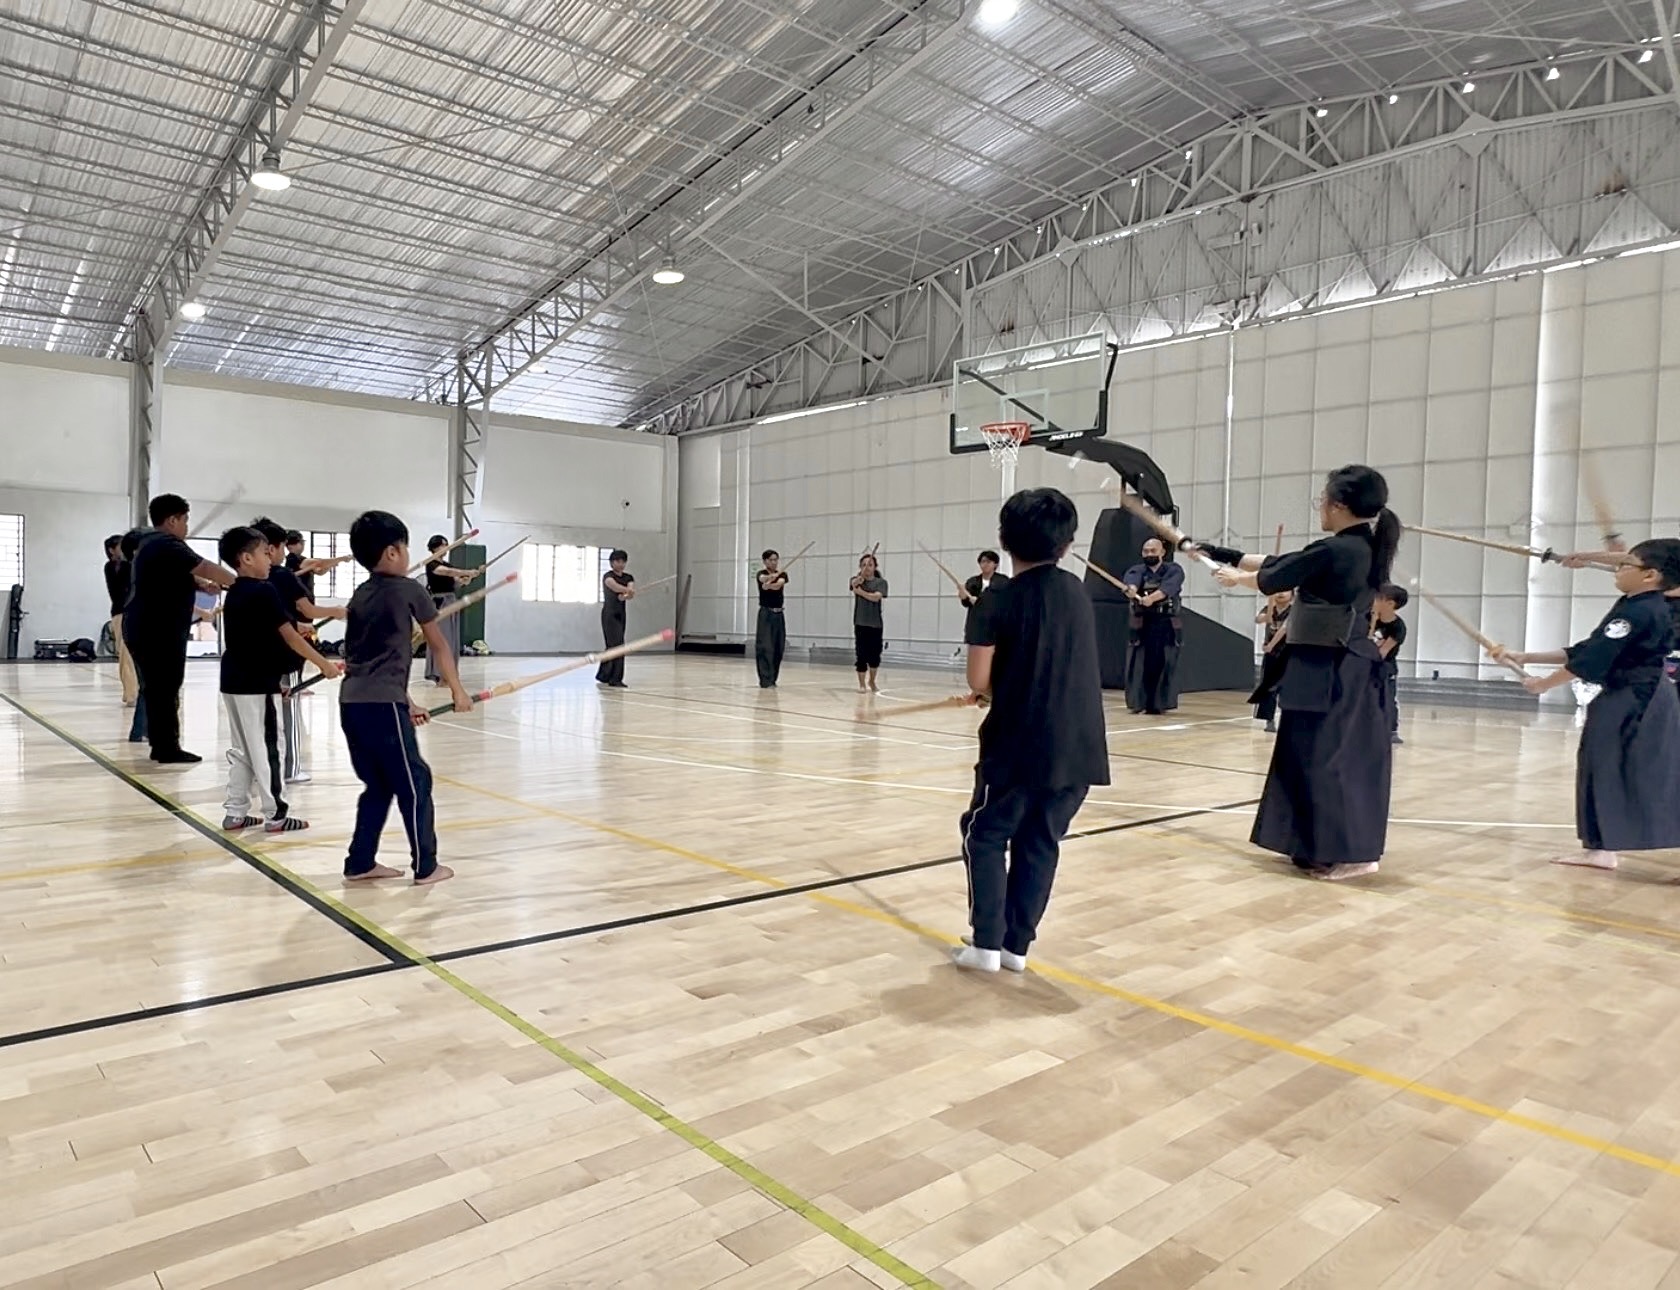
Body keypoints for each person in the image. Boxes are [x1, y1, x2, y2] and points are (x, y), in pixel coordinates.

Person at [1192, 464, 1400, 881]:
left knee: (1327, 761)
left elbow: (1276, 575)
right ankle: (1313, 844)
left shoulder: (1340, 549)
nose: (1320, 506)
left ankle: (1350, 851)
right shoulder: (1356, 547)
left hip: (1333, 669)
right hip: (1327, 667)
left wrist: (1238, 577)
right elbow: (1283, 563)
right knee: (1307, 757)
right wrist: (1219, 552)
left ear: (1339, 505)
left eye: (1323, 499)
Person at [953, 488, 1109, 973]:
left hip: (1018, 744)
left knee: (983, 834)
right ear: (1067, 543)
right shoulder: (1078, 595)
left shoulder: (996, 599)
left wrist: (987, 689)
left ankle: (985, 945)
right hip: (1078, 747)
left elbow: (980, 681)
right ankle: (1015, 947)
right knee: (1040, 841)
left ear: (1004, 540)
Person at [1491, 538, 1680, 872]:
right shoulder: (1634, 603)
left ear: (1650, 575)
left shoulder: (1640, 610)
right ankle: (1601, 848)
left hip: (1636, 699)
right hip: (1631, 695)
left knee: (1632, 771)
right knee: (1603, 766)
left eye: (1626, 564)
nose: (1617, 569)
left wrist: (1542, 684)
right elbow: (1588, 648)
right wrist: (1525, 657)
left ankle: (1602, 848)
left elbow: (1592, 660)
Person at [340, 510, 472, 885]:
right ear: (394, 552)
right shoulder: (410, 589)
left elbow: (363, 657)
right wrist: (458, 692)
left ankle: (360, 862)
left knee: (378, 785)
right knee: (415, 782)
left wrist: (407, 703)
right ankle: (426, 866)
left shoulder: (361, 593)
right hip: (382, 705)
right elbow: (439, 644)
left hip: (353, 703)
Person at [215, 526, 340, 834]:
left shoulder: (236, 592)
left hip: (233, 681)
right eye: (263, 552)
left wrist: (280, 681)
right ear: (245, 558)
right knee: (269, 749)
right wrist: (323, 664)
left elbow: (268, 633)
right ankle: (277, 815)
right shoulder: (264, 590)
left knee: (242, 749)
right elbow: (290, 637)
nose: (270, 558)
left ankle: (235, 813)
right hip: (256, 683)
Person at [122, 494, 234, 763]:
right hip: (156, 629)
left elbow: (179, 574)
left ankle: (161, 744)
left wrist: (201, 585)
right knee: (165, 687)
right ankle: (166, 748)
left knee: (159, 688)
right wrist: (245, 583)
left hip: (145, 626)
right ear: (172, 520)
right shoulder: (168, 542)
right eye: (185, 520)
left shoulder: (152, 543)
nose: (186, 526)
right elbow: (205, 566)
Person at [253, 518, 344, 784]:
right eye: (282, 547)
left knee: (263, 715)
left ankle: (262, 769)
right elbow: (308, 610)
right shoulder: (280, 574)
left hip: (259, 655)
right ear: (272, 548)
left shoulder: (249, 579)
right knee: (288, 713)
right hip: (285, 654)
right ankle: (290, 769)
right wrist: (338, 612)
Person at [1120, 537, 1185, 715]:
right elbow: (1132, 581)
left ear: (1162, 552)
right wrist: (1132, 589)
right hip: (1141, 624)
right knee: (1139, 661)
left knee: (1162, 661)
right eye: (1146, 551)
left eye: (1153, 551)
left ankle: (1158, 703)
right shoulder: (1136, 570)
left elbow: (1169, 588)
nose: (1149, 554)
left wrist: (1152, 598)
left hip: (1165, 623)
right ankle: (1138, 702)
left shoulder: (1174, 570)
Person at [423, 535, 476, 685]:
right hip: (439, 604)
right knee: (442, 638)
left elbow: (456, 582)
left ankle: (449, 674)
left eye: (446, 545)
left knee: (452, 639)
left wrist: (468, 577)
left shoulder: (448, 565)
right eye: (442, 545)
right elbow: (446, 572)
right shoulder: (431, 564)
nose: (445, 548)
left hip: (451, 602)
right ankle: (439, 674)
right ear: (434, 547)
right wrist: (465, 572)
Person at [120, 528, 149, 743]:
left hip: (135, 626)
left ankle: (143, 730)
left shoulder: (138, 569)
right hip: (141, 629)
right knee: (150, 683)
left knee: (150, 685)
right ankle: (141, 730)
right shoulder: (137, 570)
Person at [1371, 584, 1409, 746]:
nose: (1374, 601)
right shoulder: (1368, 618)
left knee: (1387, 698)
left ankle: (1392, 730)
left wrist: (1370, 646)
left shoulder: (1398, 627)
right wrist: (1372, 620)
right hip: (1364, 664)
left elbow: (1383, 652)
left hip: (1385, 666)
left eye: (1380, 598)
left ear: (1390, 604)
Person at [102, 533, 138, 707]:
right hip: (121, 613)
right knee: (126, 654)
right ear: (111, 550)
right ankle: (131, 695)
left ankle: (137, 692)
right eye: (120, 546)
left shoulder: (129, 565)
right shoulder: (113, 567)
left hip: (136, 612)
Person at [1251, 590, 1292, 733]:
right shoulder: (1270, 609)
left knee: (1288, 686)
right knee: (1269, 686)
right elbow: (1262, 619)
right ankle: (1269, 719)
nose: (1281, 594)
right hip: (1272, 654)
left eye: (1285, 591)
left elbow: (1284, 629)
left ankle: (1289, 719)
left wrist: (1270, 645)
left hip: (1288, 652)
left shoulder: (1294, 611)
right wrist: (1270, 603)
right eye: (1277, 591)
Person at [850, 552, 888, 692]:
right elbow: (853, 584)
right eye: (864, 565)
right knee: (861, 654)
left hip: (875, 624)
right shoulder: (856, 580)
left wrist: (860, 593)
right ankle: (861, 684)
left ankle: (872, 681)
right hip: (860, 623)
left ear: (875, 567)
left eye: (870, 565)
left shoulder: (881, 583)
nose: (867, 568)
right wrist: (856, 584)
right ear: (860, 567)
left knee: (874, 655)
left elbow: (876, 597)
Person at [598, 549, 634, 687]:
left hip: (621, 614)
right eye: (618, 561)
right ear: (612, 563)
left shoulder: (628, 577)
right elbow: (614, 586)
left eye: (623, 561)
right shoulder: (608, 576)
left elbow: (629, 594)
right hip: (609, 614)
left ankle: (604, 675)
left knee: (613, 646)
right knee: (618, 645)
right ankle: (615, 679)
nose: (621, 564)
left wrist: (627, 594)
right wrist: (626, 591)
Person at [959, 550, 1009, 646]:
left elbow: (1007, 602)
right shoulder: (972, 581)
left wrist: (981, 601)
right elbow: (966, 603)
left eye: (988, 562)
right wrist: (964, 597)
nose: (985, 564)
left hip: (995, 627)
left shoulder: (1003, 581)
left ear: (995, 564)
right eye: (983, 562)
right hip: (976, 628)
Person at [755, 549, 788, 688]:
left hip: (779, 614)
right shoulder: (761, 573)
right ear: (765, 561)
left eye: (776, 559)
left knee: (778, 646)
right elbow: (762, 579)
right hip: (766, 614)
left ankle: (773, 679)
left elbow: (779, 584)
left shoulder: (783, 574)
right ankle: (765, 679)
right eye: (771, 560)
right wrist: (767, 580)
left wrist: (770, 584)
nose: (774, 562)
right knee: (765, 646)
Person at [283, 530, 315, 603]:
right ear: (290, 546)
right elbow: (291, 575)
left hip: (307, 595)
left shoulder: (301, 558)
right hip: (300, 598)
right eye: (300, 543)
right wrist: (308, 568)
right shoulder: (291, 559)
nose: (303, 545)